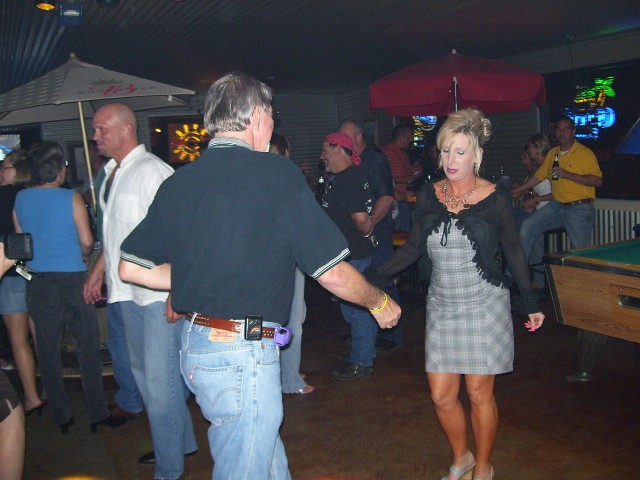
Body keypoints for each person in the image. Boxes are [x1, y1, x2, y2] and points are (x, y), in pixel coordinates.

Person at [117, 72, 400, 480]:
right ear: (255, 115)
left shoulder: (180, 181)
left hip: (197, 346)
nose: (273, 124)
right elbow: (332, 273)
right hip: (241, 353)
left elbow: (131, 266)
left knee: (264, 458)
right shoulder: (275, 174)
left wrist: (194, 280)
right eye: (272, 115)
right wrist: (379, 302)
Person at [371, 108, 545, 480]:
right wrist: (372, 277)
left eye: (460, 152)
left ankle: (483, 466)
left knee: (479, 393)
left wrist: (530, 300)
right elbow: (413, 249)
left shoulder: (495, 198)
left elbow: (514, 251)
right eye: (446, 150)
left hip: (484, 304)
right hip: (443, 305)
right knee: (441, 395)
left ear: (476, 155)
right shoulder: (429, 195)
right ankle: (462, 456)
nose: (451, 159)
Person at [83, 103, 197, 479]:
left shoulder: (154, 172)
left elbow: (182, 236)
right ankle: (181, 443)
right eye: (95, 130)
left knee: (160, 384)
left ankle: (169, 468)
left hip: (155, 297)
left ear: (126, 129)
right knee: (147, 378)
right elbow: (116, 235)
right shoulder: (111, 173)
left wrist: (177, 292)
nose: (95, 137)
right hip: (125, 293)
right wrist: (98, 271)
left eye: (101, 129)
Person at [13, 142, 125, 434]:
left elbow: (20, 240)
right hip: (72, 278)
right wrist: (84, 256)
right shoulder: (71, 198)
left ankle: (62, 416)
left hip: (38, 281)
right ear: (58, 171)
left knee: (47, 350)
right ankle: (97, 413)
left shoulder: (21, 198)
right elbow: (87, 241)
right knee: (86, 347)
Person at [512, 116, 604, 383]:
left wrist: (566, 174)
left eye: (565, 129)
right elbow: (537, 177)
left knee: (581, 255)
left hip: (579, 207)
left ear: (573, 132)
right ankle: (523, 282)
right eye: (558, 130)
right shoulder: (552, 153)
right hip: (557, 206)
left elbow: (597, 181)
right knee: (527, 227)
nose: (561, 133)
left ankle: (588, 305)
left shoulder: (584, 153)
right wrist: (516, 191)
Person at [339, 119, 401, 351]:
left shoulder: (374, 160)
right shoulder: (352, 162)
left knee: (381, 280)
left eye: (346, 136)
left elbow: (387, 196)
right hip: (362, 236)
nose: (342, 141)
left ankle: (392, 336)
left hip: (378, 234)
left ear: (359, 136)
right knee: (365, 285)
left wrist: (370, 225)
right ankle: (366, 334)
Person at [320, 132, 378, 380]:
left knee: (357, 311)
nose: (322, 156)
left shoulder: (349, 179)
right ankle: (364, 354)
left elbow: (361, 219)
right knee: (354, 310)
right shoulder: (345, 177)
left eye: (325, 150)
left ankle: (362, 361)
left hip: (354, 253)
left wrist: (368, 233)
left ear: (338, 150)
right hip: (350, 253)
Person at [0, 151, 45, 415]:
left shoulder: (4, 196)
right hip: (37, 272)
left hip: (11, 274)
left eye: (5, 167)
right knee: (41, 335)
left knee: (18, 340)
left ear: (17, 170)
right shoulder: (34, 195)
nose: (1, 172)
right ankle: (51, 389)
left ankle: (31, 397)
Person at [269, 133, 314, 395]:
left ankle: (286, 371)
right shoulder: (288, 179)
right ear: (285, 153)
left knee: (290, 315)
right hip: (287, 257)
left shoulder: (256, 180)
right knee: (291, 319)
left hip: (270, 258)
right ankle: (289, 381)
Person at [0, 241, 25, 480]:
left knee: (19, 341)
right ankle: (35, 396)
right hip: (17, 277)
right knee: (9, 417)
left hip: (15, 279)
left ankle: (34, 396)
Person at [382, 124, 421, 232]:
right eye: (408, 137)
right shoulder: (385, 153)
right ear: (400, 138)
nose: (411, 140)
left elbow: (407, 174)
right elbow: (384, 179)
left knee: (407, 231)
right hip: (395, 201)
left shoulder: (403, 153)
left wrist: (416, 170)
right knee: (400, 233)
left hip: (406, 198)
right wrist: (407, 178)